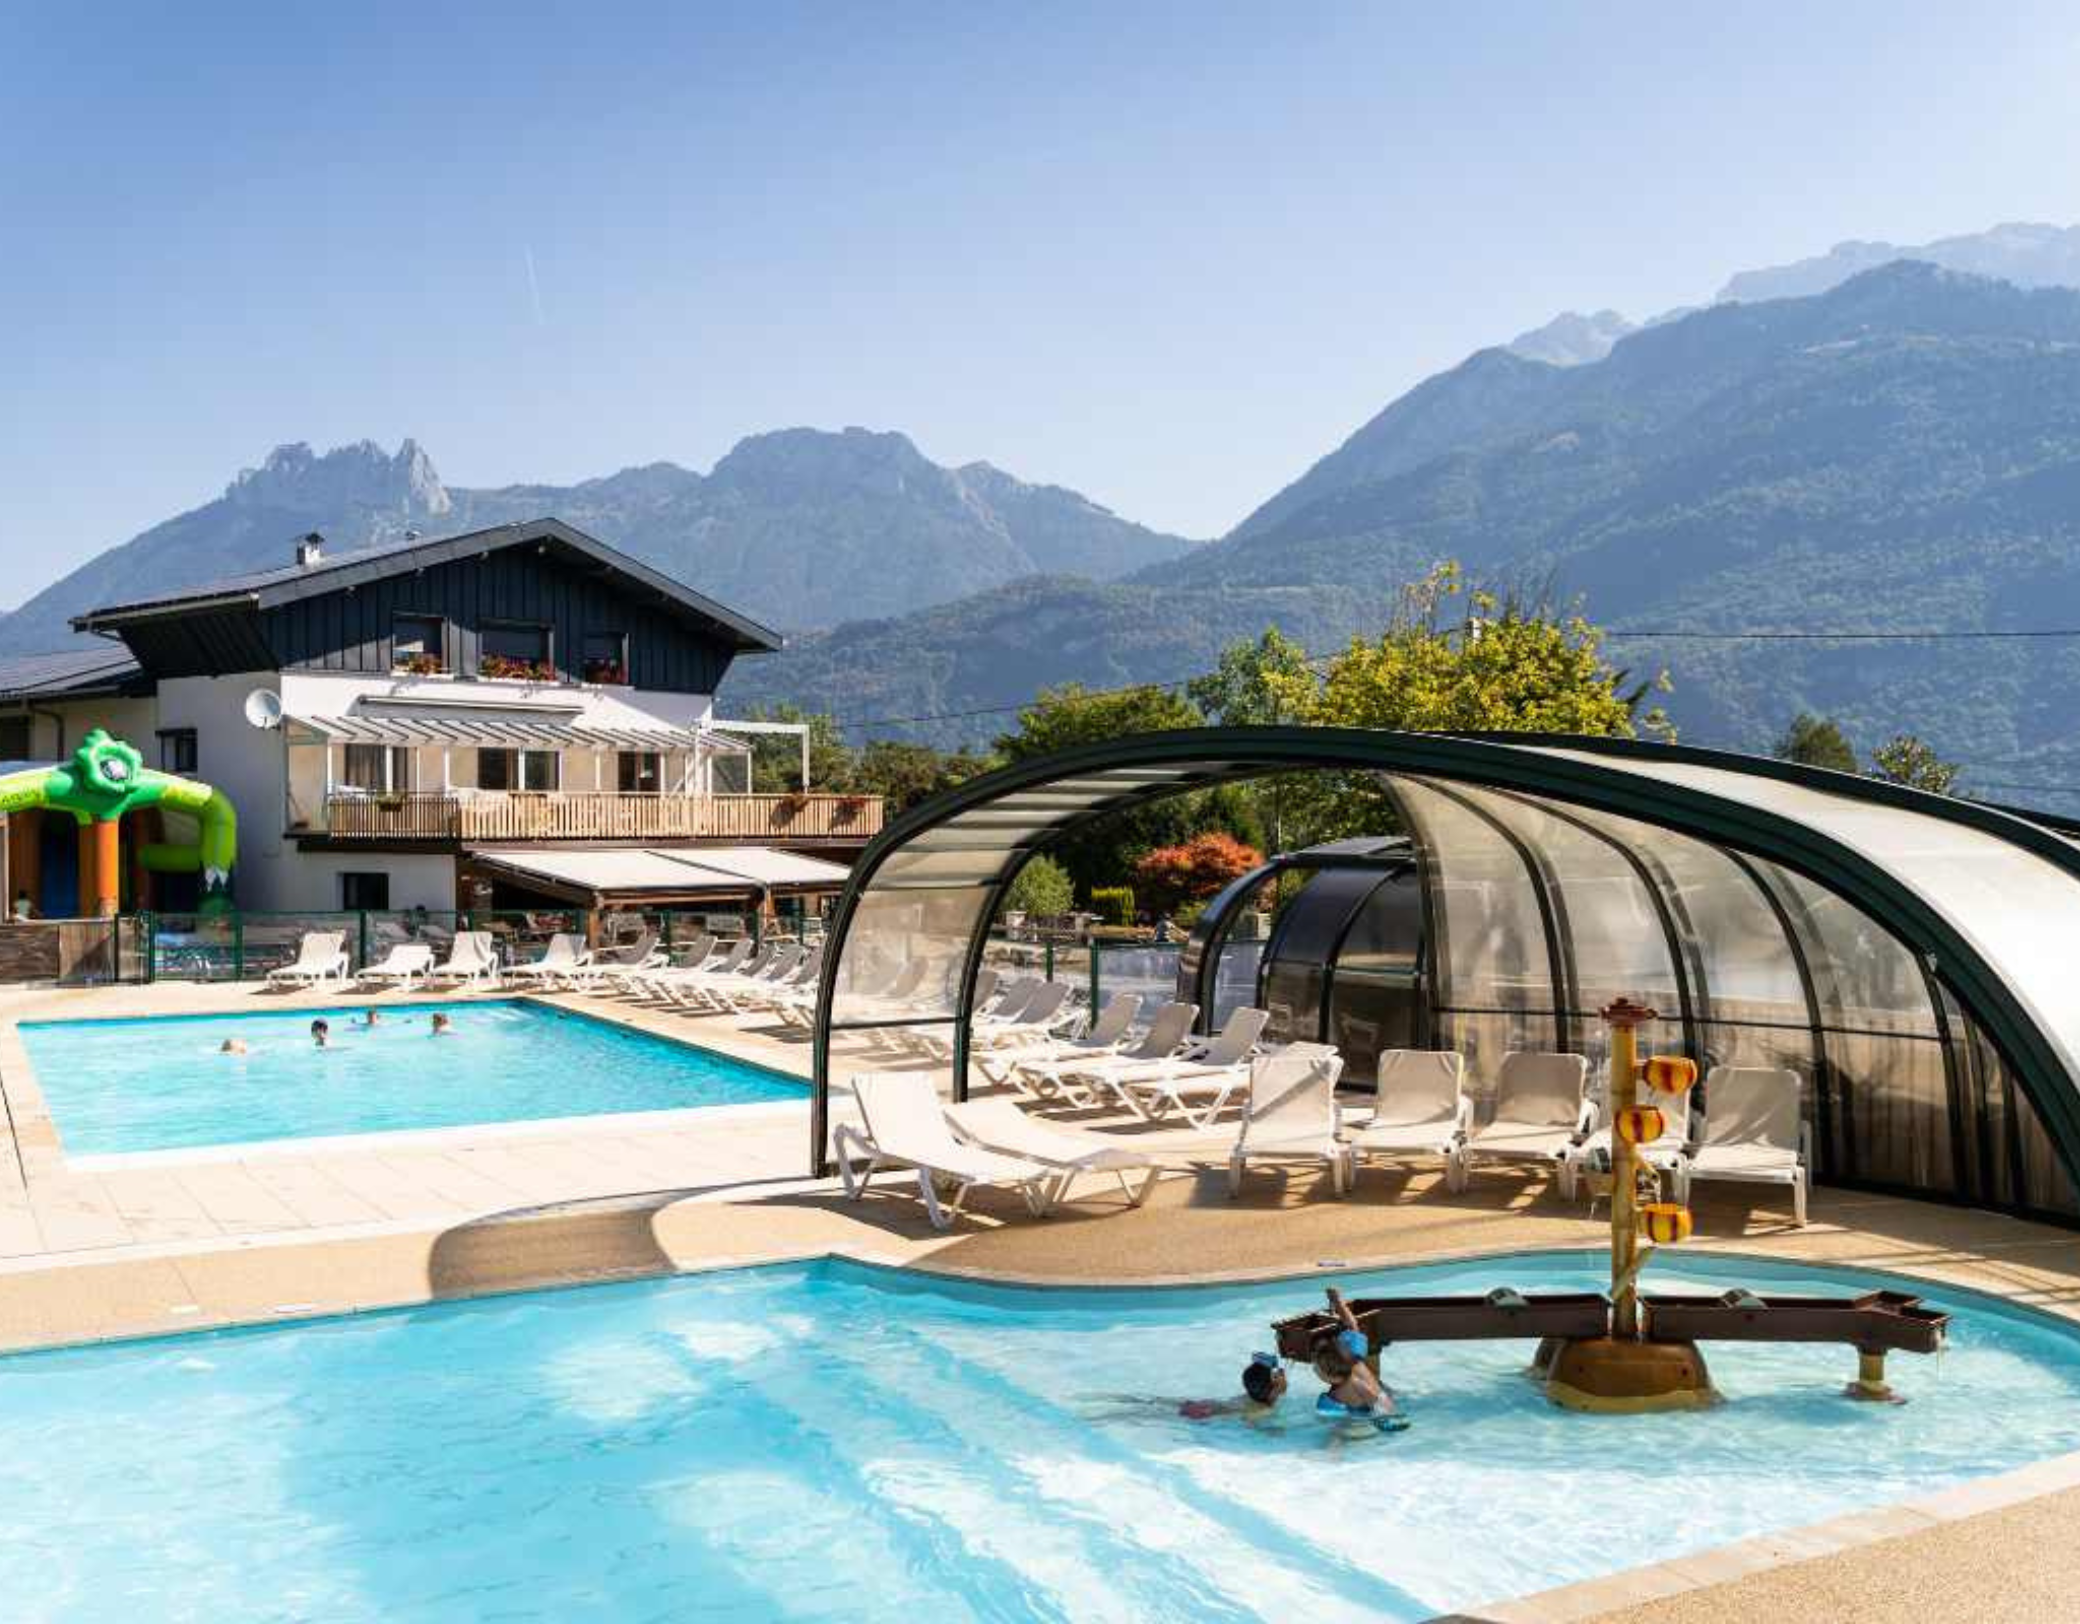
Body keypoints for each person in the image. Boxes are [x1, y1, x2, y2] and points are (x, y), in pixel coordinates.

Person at [1313, 1287, 1406, 1432]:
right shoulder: (1355, 1358)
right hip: (1382, 1398)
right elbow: (1352, 1325)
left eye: (1316, 1367)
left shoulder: (1341, 1392)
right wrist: (1338, 1302)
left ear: (1328, 1375)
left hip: (1368, 1413)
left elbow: (1376, 1401)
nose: (1314, 1369)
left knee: (1341, 1431)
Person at [1177, 1352, 1289, 1423]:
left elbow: (1270, 1385)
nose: (1283, 1380)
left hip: (1205, 1405)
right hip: (1206, 1414)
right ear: (1274, 1389)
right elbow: (1249, 1423)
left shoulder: (1249, 1395)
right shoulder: (1264, 1410)